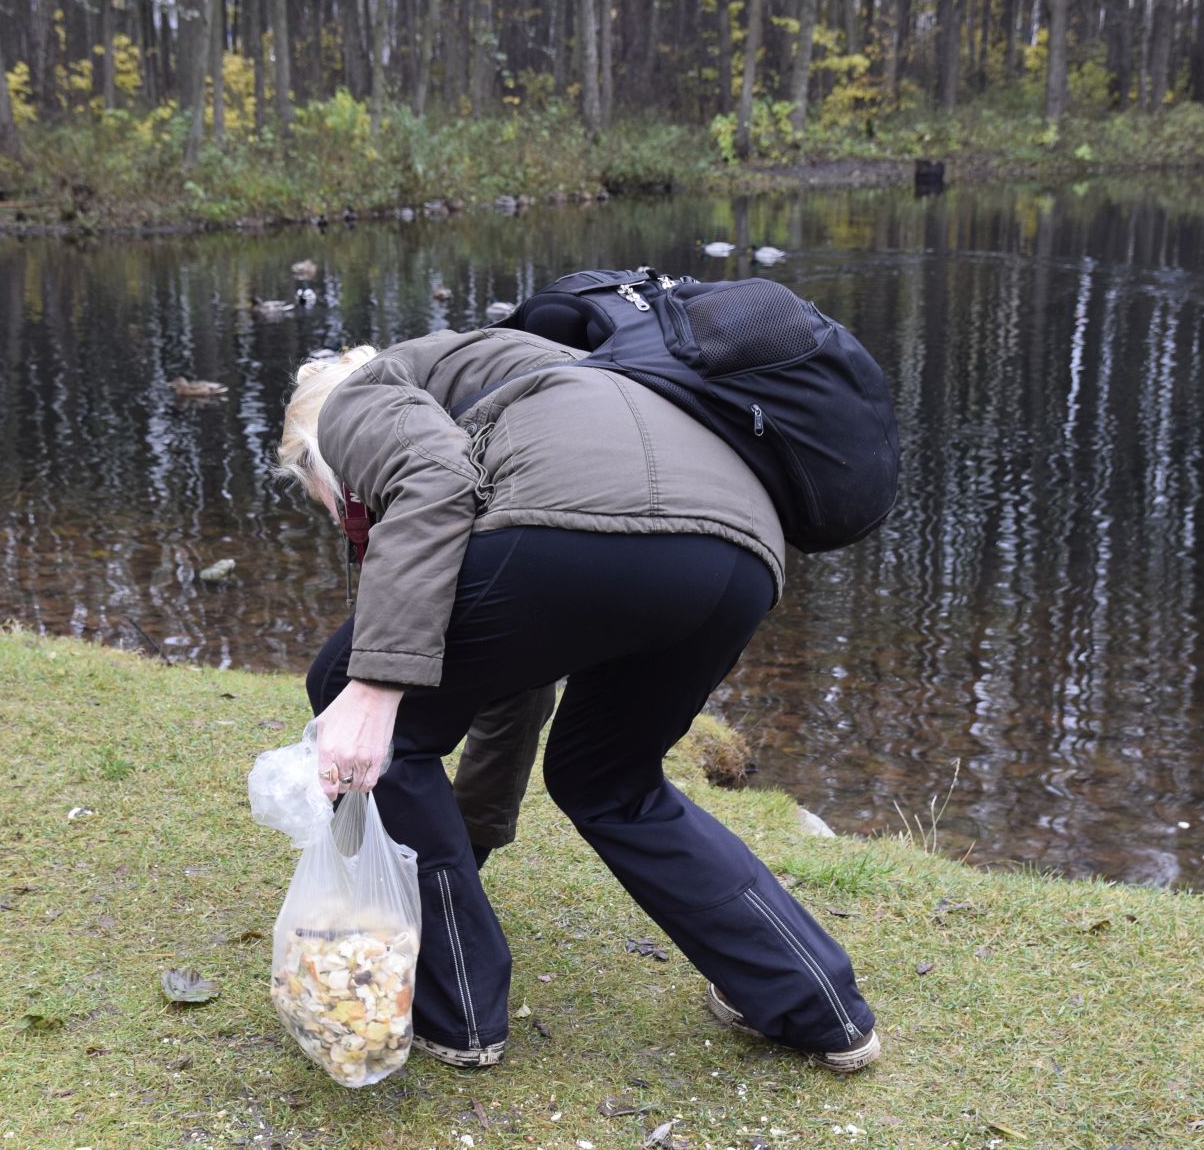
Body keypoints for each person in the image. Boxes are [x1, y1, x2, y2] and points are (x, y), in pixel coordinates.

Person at [280, 330, 879, 1072]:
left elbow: (432, 480)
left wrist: (373, 689)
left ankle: (458, 1010)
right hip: (742, 554)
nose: (353, 523)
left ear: (323, 456)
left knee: (348, 684)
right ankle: (819, 1007)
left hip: (588, 531)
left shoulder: (356, 404)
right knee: (611, 781)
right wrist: (461, 847)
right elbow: (515, 674)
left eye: (342, 508)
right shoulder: (535, 373)